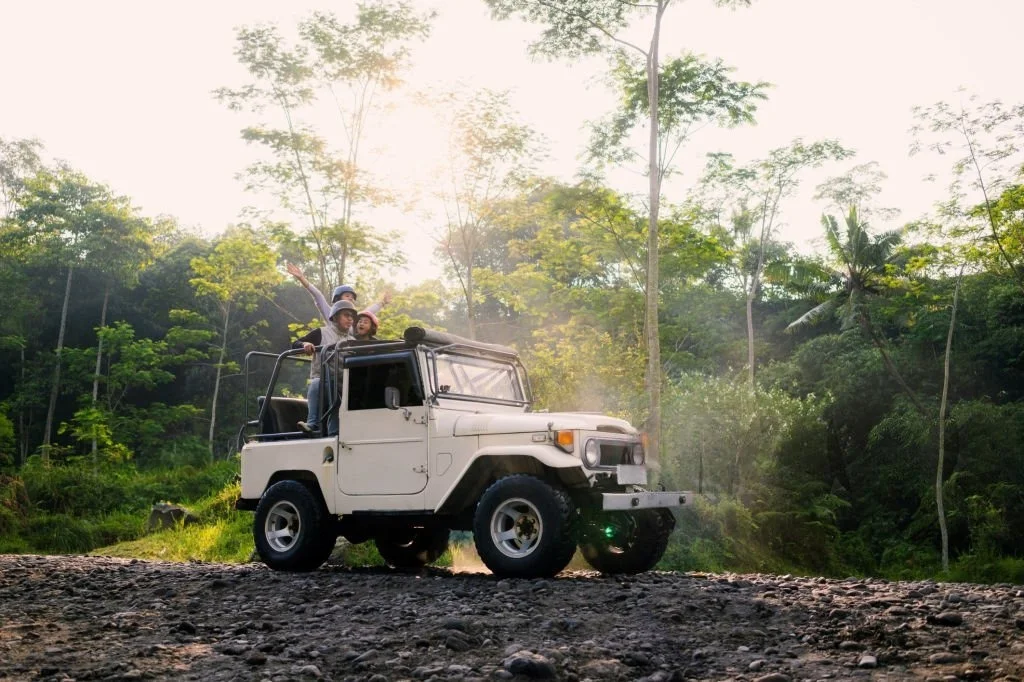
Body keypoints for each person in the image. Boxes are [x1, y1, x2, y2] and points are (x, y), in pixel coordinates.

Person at [292, 299, 357, 435]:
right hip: (323, 382)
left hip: (344, 386)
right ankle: (312, 424)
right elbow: (295, 344)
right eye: (346, 315)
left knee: (340, 401)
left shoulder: (353, 341)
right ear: (335, 317)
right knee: (316, 383)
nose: (350, 319)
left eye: (352, 316)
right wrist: (304, 345)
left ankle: (335, 435)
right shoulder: (321, 333)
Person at [285, 262, 390, 323]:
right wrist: (302, 278)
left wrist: (383, 303)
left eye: (352, 297)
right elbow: (318, 295)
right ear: (338, 299)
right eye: (347, 295)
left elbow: (369, 311)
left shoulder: (354, 319)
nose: (350, 298)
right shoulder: (331, 314)